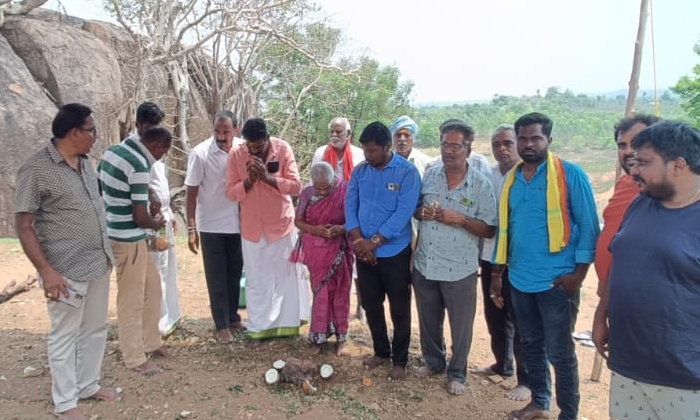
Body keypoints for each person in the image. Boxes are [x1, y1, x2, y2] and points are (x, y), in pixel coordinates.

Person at [14, 103, 120, 420]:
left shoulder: (86, 164)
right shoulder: (36, 169)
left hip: (98, 261)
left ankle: (88, 385)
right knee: (64, 334)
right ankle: (65, 403)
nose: (95, 137)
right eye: (91, 130)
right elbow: (24, 225)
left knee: (95, 328)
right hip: (65, 270)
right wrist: (47, 272)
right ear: (74, 132)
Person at [490, 112, 599, 420]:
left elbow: (589, 227)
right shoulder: (512, 179)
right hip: (520, 279)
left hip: (556, 283)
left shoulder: (569, 175)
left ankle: (568, 414)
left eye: (535, 138)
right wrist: (498, 275)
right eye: (522, 138)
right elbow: (506, 229)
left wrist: (577, 276)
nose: (528, 144)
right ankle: (539, 402)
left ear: (549, 140)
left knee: (561, 352)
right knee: (531, 344)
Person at [593, 120, 700, 420]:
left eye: (644, 163)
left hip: (685, 377)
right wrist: (602, 313)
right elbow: (620, 258)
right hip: (629, 364)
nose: (634, 170)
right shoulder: (641, 203)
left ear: (678, 165)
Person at [412, 120, 497, 395]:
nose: (449, 151)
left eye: (456, 146)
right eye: (445, 145)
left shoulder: (481, 185)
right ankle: (434, 362)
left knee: (461, 327)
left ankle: (457, 372)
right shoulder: (431, 174)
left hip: (460, 269)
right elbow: (417, 209)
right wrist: (421, 213)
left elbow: (489, 228)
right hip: (426, 263)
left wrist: (460, 219)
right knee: (428, 320)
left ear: (468, 149)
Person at [345, 121, 421, 380]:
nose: (368, 155)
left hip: (394, 253)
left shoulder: (407, 172)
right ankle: (381, 352)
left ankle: (400, 360)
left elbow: (404, 212)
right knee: (371, 305)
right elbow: (350, 206)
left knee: (399, 308)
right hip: (364, 252)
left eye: (373, 151)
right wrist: (359, 242)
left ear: (387, 147)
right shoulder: (359, 172)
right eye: (365, 150)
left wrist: (374, 241)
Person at [98, 125, 174, 376]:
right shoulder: (140, 165)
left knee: (152, 288)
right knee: (131, 300)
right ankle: (134, 356)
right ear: (157, 146)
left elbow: (102, 188)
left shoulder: (112, 153)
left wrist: (146, 192)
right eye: (163, 153)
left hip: (124, 233)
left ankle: (151, 341)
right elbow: (141, 217)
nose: (161, 158)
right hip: (127, 238)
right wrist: (157, 223)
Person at [226, 117, 309, 341]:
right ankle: (258, 327)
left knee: (284, 278)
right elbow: (231, 193)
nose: (254, 150)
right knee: (256, 279)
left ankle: (287, 326)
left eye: (258, 145)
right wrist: (250, 181)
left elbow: (296, 186)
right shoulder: (236, 154)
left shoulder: (283, 149)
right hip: (252, 228)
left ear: (267, 138)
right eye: (250, 146)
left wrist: (268, 178)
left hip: (281, 225)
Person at [472, 124, 530, 401]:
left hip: (517, 261)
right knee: (495, 316)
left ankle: (526, 379)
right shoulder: (490, 174)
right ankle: (502, 365)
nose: (502, 149)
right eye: (497, 144)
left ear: (518, 144)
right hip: (489, 256)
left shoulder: (525, 175)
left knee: (520, 321)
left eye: (507, 143)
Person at [185, 111, 246, 344]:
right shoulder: (200, 153)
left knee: (234, 272)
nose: (221, 136)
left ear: (236, 130)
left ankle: (232, 317)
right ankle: (221, 325)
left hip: (238, 224)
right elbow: (191, 193)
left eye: (226, 132)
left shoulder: (243, 149)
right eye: (217, 131)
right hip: (211, 225)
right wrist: (192, 228)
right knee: (216, 275)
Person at [127, 102, 181, 337]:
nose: (154, 131)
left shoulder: (156, 143)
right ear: (138, 125)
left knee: (167, 269)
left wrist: (170, 214)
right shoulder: (129, 149)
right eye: (149, 127)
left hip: (163, 216)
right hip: (145, 219)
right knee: (152, 272)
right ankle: (153, 325)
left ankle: (168, 318)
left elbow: (160, 183)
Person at [594, 114, 658, 297]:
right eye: (622, 145)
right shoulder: (625, 183)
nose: (629, 151)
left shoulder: (663, 191)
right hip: (614, 299)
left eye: (638, 142)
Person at [293, 161, 353, 355]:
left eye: (326, 189)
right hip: (316, 252)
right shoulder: (307, 193)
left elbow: (355, 217)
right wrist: (315, 230)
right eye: (318, 189)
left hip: (340, 248)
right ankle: (318, 336)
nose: (322, 193)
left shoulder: (346, 190)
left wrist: (341, 229)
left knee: (341, 293)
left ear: (333, 180)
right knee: (321, 293)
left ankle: (341, 337)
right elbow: (298, 221)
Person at [311, 116, 366, 322]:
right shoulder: (321, 153)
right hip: (328, 214)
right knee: (329, 262)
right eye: (331, 132)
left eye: (339, 132)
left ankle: (361, 307)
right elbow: (314, 183)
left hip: (355, 214)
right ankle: (328, 308)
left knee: (357, 262)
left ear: (349, 134)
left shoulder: (359, 155)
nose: (334, 135)